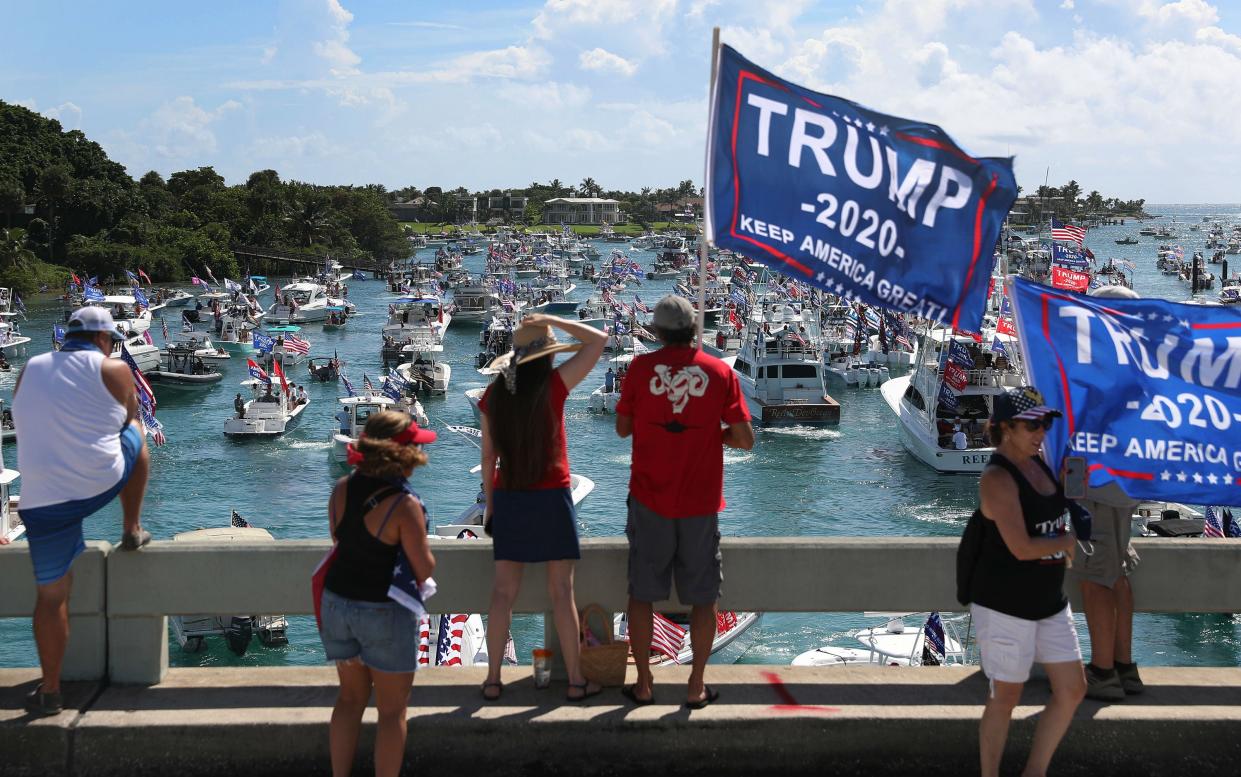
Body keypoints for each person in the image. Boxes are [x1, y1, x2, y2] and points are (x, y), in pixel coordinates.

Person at [615, 295, 754, 708]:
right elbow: (746, 438)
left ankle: (643, 684)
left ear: (656, 332)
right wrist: (714, 435)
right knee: (704, 597)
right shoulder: (718, 372)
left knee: (641, 595)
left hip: (648, 499)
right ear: (695, 329)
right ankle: (695, 685)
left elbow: (623, 428)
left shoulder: (639, 370)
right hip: (700, 503)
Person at [11, 306, 151, 716]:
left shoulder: (29, 369)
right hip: (97, 484)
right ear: (104, 339)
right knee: (137, 432)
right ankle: (132, 527)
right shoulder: (115, 369)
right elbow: (127, 418)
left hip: (40, 503)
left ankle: (50, 691)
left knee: (50, 598)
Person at [478, 313, 607, 702]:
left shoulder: (495, 395)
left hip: (511, 496)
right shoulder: (555, 385)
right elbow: (598, 340)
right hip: (552, 496)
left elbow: (488, 458)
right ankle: (575, 682)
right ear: (549, 353)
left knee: (503, 595)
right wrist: (552, 317)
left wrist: (490, 507)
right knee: (561, 594)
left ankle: (493, 680)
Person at [971, 386, 1085, 777]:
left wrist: (1076, 476)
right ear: (1004, 428)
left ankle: (1034, 772)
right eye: (1031, 424)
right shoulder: (998, 479)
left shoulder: (1042, 464)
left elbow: (1067, 506)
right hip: (1006, 604)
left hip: (1049, 600)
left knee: (1072, 688)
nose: (1041, 432)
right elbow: (1020, 547)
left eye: (1045, 423)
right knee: (1006, 696)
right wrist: (1067, 541)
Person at [321, 411, 436, 777]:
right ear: (401, 454)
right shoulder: (405, 505)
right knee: (391, 712)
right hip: (383, 613)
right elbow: (424, 567)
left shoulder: (341, 490)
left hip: (337, 604)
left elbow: (340, 541)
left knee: (350, 700)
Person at [1071, 284, 1144, 702]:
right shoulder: (1139, 371)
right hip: (1126, 486)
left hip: (1098, 486)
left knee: (1095, 579)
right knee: (1115, 572)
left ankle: (1102, 673)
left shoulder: (1102, 370)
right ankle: (1123, 666)